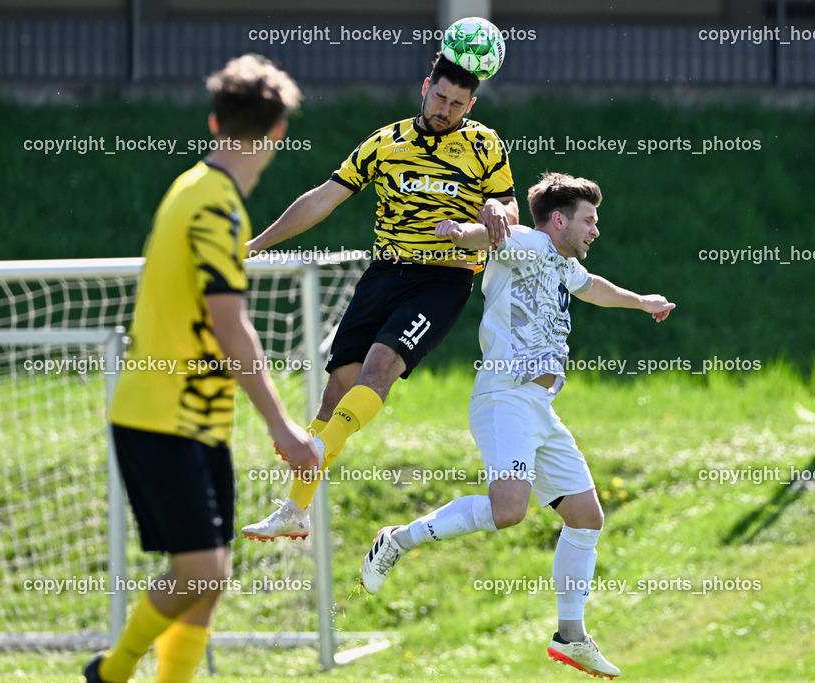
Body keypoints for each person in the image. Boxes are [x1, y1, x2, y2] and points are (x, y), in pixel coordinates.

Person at [358, 172, 674, 679]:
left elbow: (593, 287)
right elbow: (492, 233)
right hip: (504, 398)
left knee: (587, 517)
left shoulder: (563, 264)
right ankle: (397, 539)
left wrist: (642, 302)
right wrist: (463, 235)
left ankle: (571, 636)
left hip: (541, 408)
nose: (595, 230)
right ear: (557, 219)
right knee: (510, 512)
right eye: (588, 221)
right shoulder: (524, 241)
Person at [84, 54, 317, 683]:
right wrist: (282, 425)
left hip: (194, 420)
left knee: (207, 580)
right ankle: (112, 671)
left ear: (216, 122)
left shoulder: (194, 188)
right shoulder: (216, 206)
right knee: (204, 571)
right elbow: (228, 322)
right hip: (162, 417)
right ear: (277, 133)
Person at [241, 53, 518, 541]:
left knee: (380, 366)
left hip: (442, 279)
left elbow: (508, 213)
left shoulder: (484, 145)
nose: (445, 110)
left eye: (458, 104)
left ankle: (323, 447)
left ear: (470, 105)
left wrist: (493, 209)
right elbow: (323, 198)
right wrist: (257, 244)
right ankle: (294, 510)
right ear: (425, 86)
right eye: (440, 97)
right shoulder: (385, 143)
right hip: (384, 274)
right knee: (336, 391)